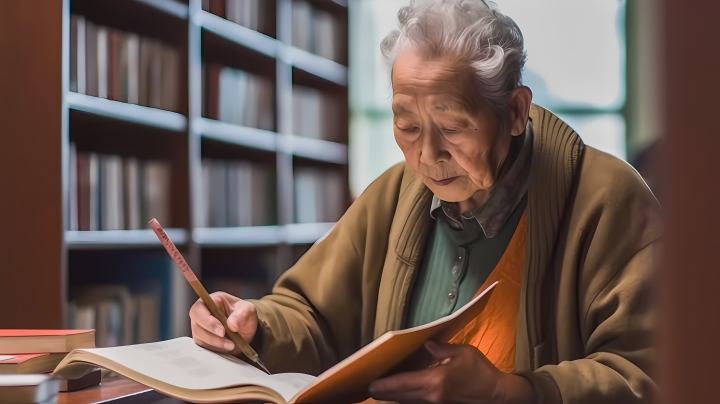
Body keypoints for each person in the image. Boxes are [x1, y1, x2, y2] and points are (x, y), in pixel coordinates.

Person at [190, 1, 660, 403]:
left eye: (453, 127)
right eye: (407, 126)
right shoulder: (396, 194)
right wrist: (254, 325)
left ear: (515, 112)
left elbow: (654, 374)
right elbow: (312, 315)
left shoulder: (607, 199)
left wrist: (513, 392)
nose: (428, 156)